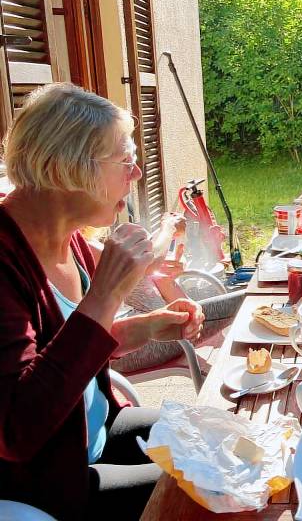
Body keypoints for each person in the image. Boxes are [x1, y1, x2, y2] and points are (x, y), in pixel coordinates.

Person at [0, 83, 205, 521]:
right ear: (66, 168)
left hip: (97, 429)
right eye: (126, 161)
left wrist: (142, 328)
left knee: (219, 444)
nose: (137, 174)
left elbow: (62, 348)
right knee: (206, 492)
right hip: (47, 480)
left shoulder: (66, 234)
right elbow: (16, 429)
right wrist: (106, 293)